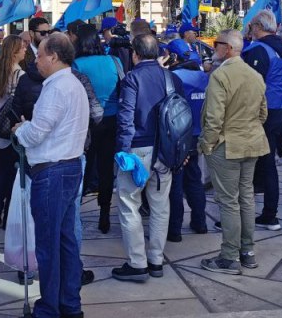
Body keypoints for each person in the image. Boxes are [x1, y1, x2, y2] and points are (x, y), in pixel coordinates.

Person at [12, 33, 89, 318]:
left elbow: (36, 132)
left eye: (41, 55)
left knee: (49, 243)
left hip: (53, 171)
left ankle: (49, 309)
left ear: (54, 57)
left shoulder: (57, 88)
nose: (37, 60)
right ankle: (70, 302)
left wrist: (21, 129)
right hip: (69, 166)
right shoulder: (73, 84)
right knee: (66, 239)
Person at [111, 34, 185, 282]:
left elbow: (126, 117)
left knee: (130, 204)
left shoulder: (133, 79)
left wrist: (122, 152)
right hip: (165, 152)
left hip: (137, 150)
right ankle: (156, 259)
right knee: (160, 206)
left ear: (135, 54)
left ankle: (137, 263)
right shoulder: (171, 77)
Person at [199, 30, 268, 275]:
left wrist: (207, 144)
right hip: (252, 143)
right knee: (246, 198)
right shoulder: (254, 74)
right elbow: (263, 113)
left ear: (227, 47)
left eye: (215, 44)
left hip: (227, 145)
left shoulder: (221, 76)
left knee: (229, 201)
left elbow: (213, 118)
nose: (213, 48)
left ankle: (229, 257)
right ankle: (247, 252)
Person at [241, 10, 282, 229]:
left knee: (245, 163)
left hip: (260, 111)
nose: (250, 29)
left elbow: (250, 84)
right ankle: (270, 213)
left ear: (259, 26)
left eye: (252, 25)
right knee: (268, 161)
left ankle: (241, 217)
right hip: (279, 108)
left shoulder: (258, 50)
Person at [72, 23, 122, 234]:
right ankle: (105, 212)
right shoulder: (114, 61)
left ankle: (75, 214)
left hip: (86, 123)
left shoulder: (76, 64)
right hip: (112, 121)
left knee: (82, 168)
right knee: (105, 169)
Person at [167, 39, 209, 237]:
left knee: (175, 182)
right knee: (194, 179)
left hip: (177, 137)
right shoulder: (203, 76)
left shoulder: (173, 77)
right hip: (197, 136)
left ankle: (175, 229)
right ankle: (200, 222)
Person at [0, 35, 28, 229]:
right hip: (10, 129)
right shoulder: (19, 74)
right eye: (22, 48)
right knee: (12, 175)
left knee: (1, 173)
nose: (25, 50)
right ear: (14, 51)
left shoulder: (0, 71)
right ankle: (7, 218)